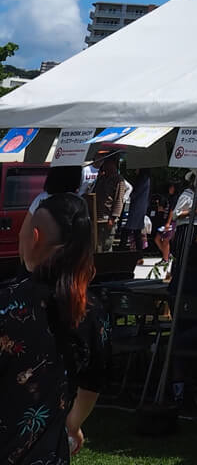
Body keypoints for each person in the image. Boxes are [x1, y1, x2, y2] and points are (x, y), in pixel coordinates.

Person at [1, 192, 107, 463]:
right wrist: (73, 424)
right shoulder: (90, 311)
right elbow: (93, 382)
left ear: (34, 237)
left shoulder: (6, 303)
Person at [93, 154, 123, 252]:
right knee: (97, 245)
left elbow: (119, 199)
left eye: (107, 163)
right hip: (98, 216)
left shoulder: (118, 180)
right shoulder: (102, 178)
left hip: (108, 218)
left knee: (106, 244)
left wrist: (113, 217)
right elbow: (94, 192)